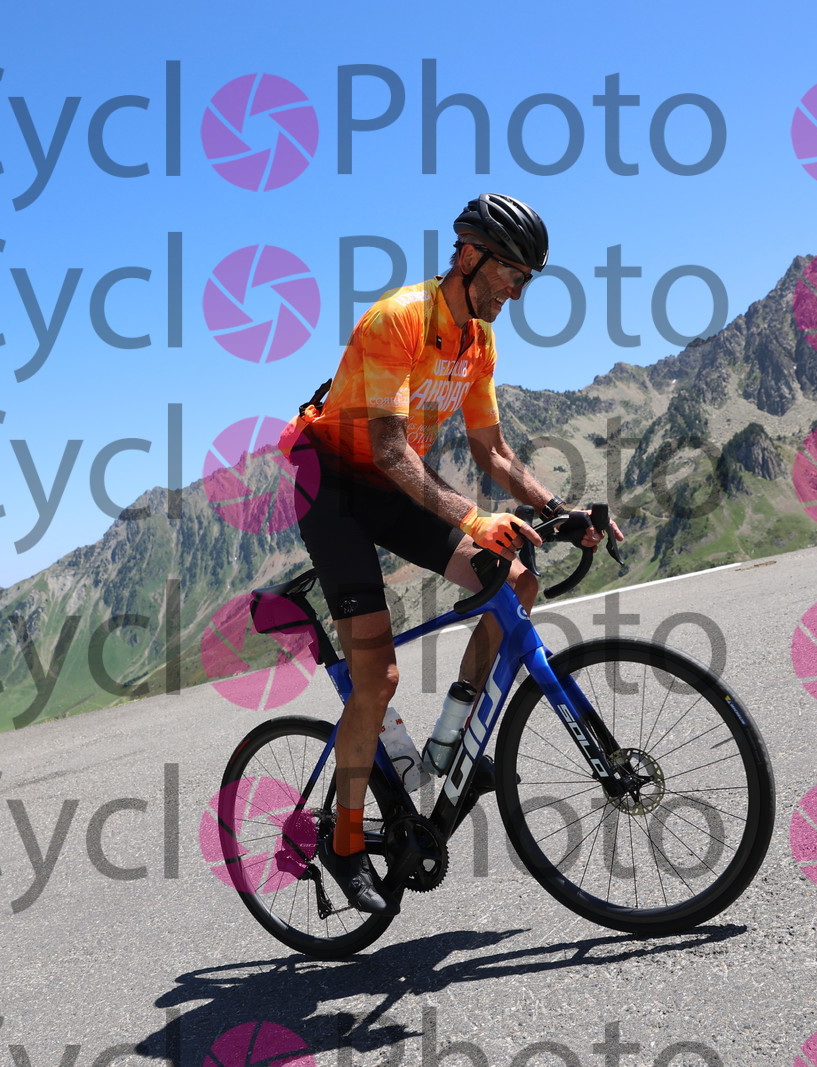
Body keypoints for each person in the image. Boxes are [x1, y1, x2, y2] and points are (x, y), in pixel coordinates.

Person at [293, 193, 622, 913]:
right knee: (377, 677)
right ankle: (344, 841)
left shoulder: (479, 342)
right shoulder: (398, 319)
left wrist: (555, 510)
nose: (517, 291)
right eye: (511, 272)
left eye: (527, 279)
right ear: (470, 256)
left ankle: (451, 746)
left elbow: (492, 450)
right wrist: (474, 516)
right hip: (335, 489)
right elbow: (388, 448)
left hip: (392, 487)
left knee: (517, 581)